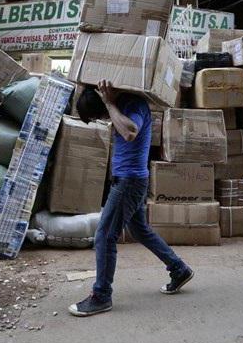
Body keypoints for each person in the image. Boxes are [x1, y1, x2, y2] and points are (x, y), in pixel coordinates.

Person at [68, 80, 193, 317]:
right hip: (129, 180)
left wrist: (109, 103)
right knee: (140, 231)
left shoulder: (133, 104)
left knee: (104, 236)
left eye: (101, 114)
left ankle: (102, 296)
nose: (105, 118)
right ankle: (179, 269)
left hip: (130, 182)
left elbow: (130, 131)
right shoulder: (122, 103)